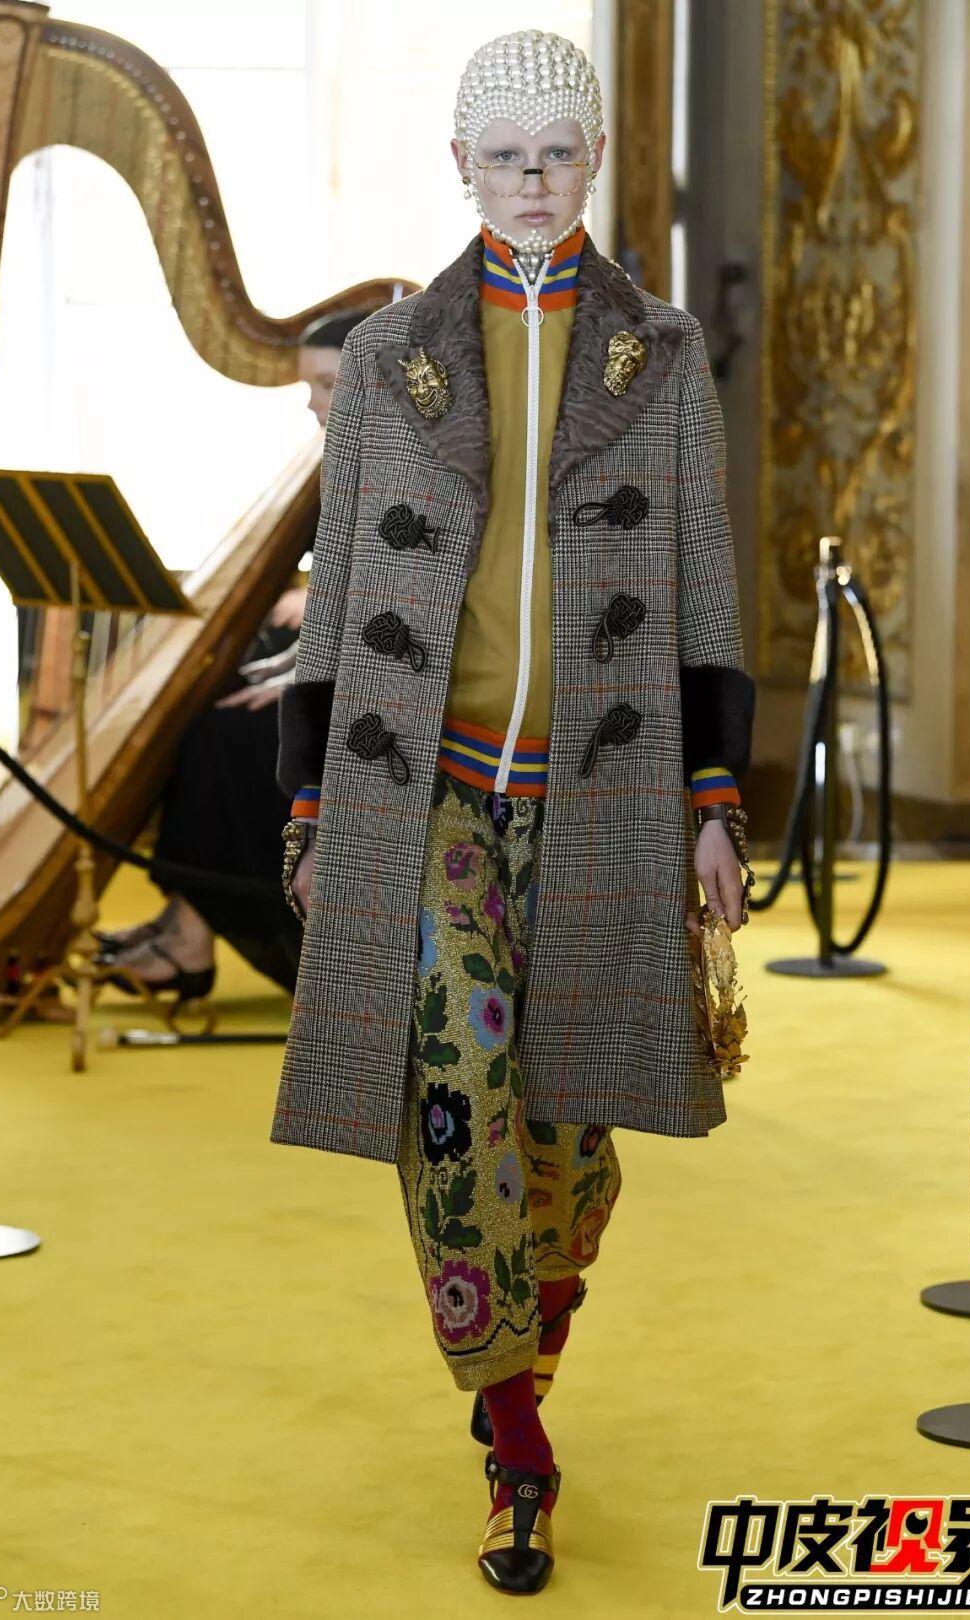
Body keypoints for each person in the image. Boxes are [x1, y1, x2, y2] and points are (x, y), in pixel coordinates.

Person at [274, 29, 754, 1596]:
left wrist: (713, 799)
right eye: (504, 158)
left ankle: (522, 1363)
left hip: (605, 796)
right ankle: (520, 1443)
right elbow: (342, 589)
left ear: (593, 159)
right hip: (428, 792)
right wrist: (310, 803)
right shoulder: (392, 356)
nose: (533, 183)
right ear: (461, 168)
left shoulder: (661, 354)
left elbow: (702, 583)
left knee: (566, 1132)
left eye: (558, 154)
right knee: (455, 1071)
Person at [95, 309, 372, 997]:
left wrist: (301, 676)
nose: (311, 403)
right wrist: (293, 663)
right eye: (309, 386)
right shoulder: (350, 462)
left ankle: (191, 936)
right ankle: (184, 924)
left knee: (225, 736)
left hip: (393, 699)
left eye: (327, 384)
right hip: (346, 675)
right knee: (220, 708)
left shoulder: (413, 468)